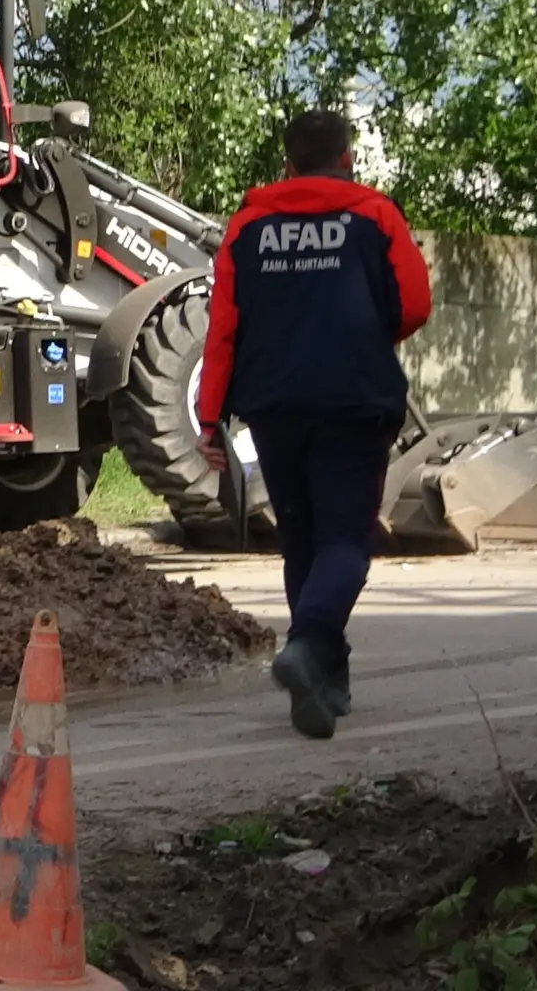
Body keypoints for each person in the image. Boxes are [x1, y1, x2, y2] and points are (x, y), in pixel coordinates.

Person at [197, 108, 430, 740]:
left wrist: (208, 415)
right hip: (354, 403)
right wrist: (364, 335)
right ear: (347, 159)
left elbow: (223, 331)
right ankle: (306, 647)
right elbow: (414, 304)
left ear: (288, 165)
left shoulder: (246, 229)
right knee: (346, 544)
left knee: (301, 542)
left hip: (274, 407)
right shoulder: (375, 216)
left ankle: (327, 681)